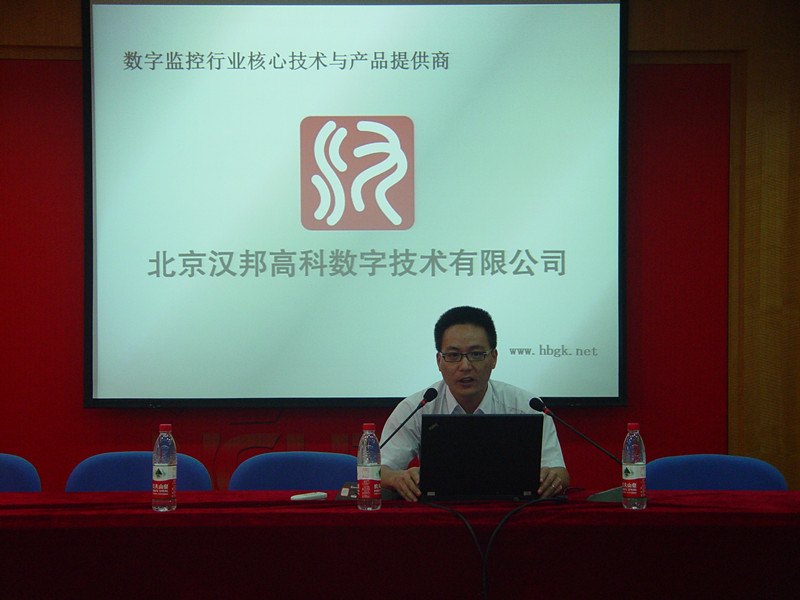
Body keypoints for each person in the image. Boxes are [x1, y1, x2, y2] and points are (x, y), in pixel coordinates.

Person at [380, 306, 569, 502]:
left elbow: (560, 473)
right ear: (439, 361)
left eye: (476, 354)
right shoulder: (416, 408)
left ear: (494, 358)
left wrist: (552, 479)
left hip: (511, 511)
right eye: (453, 355)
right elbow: (376, 470)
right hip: (438, 512)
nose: (465, 366)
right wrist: (396, 478)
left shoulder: (526, 406)